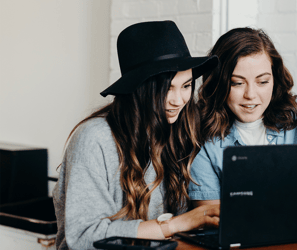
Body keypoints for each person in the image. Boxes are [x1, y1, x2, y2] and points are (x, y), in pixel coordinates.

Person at [52, 21, 220, 249]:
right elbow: (84, 236)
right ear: (139, 87)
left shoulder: (179, 131)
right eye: (167, 88)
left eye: (186, 85)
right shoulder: (94, 138)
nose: (178, 100)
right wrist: (176, 224)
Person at [188, 27, 297, 214]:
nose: (250, 95)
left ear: (275, 78)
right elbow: (209, 215)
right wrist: (296, 199)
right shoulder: (201, 133)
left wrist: (257, 207)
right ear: (219, 83)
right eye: (237, 83)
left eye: (262, 82)